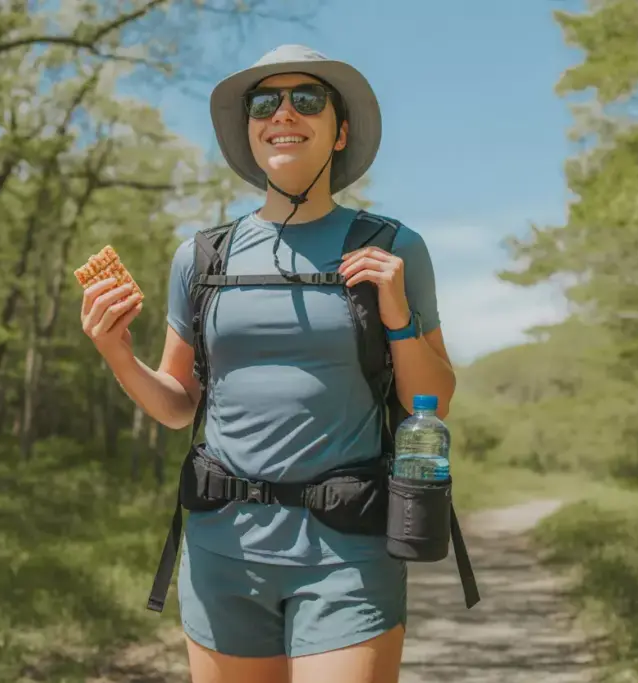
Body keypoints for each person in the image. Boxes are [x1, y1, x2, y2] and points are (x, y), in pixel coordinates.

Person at [80, 45, 458, 683]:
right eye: (265, 102)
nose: (283, 112)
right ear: (251, 131)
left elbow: (436, 401)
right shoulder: (201, 258)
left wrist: (396, 314)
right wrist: (116, 351)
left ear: (340, 133)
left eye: (306, 99)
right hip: (221, 552)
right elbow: (177, 406)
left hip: (347, 552)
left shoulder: (394, 249)